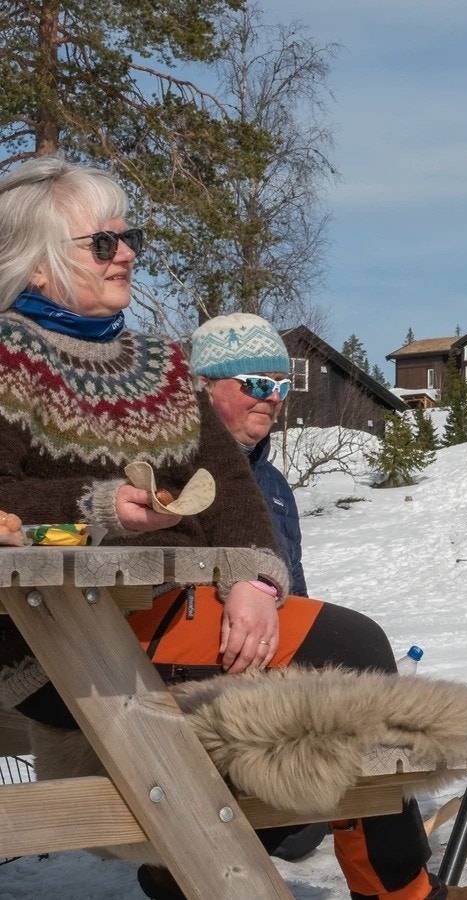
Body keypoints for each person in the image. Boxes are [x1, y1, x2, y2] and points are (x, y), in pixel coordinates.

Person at [0, 157, 467, 900]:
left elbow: (231, 487)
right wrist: (105, 507)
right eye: (102, 243)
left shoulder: (159, 366)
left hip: (169, 616)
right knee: (339, 661)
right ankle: (250, 869)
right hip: (51, 637)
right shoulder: (7, 360)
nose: (128, 254)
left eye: (128, 236)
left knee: (345, 651)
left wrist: (250, 581)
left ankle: (345, 880)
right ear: (38, 264)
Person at [189, 312, 324, 860]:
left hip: (271, 666)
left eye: (282, 385)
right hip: (197, 668)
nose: (273, 398)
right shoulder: (173, 469)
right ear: (203, 388)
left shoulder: (272, 484)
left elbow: (300, 591)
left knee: (305, 823)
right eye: (257, 384)